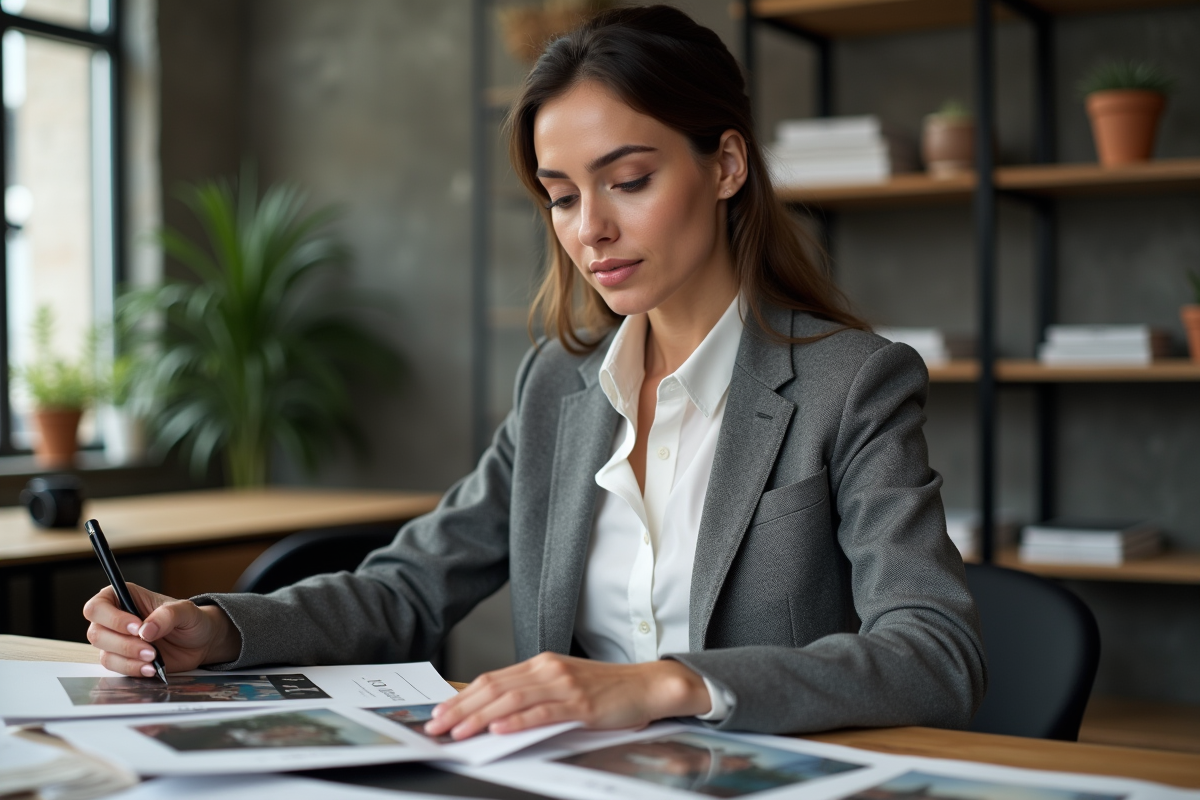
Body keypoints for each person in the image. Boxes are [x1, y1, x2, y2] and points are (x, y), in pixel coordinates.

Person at [83, 5, 986, 739]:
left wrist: (662, 687)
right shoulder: (557, 386)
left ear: (726, 165)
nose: (589, 227)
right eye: (561, 195)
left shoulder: (852, 383)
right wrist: (218, 627)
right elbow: (409, 587)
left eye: (627, 180)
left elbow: (935, 653)